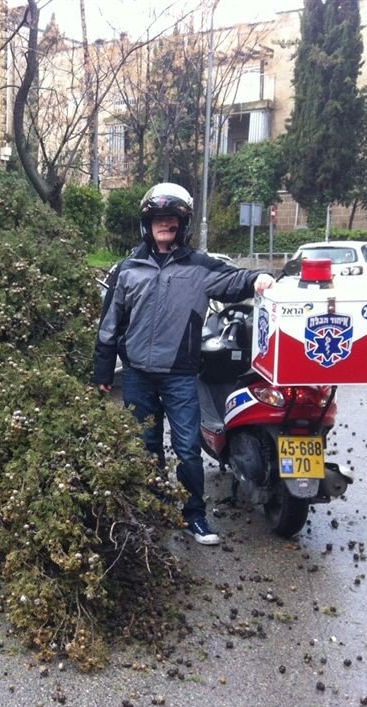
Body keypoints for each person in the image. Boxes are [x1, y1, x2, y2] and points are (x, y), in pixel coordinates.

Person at [92, 182, 275, 546]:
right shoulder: (128, 269)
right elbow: (109, 323)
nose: (165, 225)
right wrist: (102, 371)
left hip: (180, 375)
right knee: (146, 445)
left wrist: (259, 279)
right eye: (159, 219)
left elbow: (234, 279)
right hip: (138, 375)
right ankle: (155, 507)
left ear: (182, 224)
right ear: (148, 223)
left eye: (172, 219)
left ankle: (194, 515)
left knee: (188, 447)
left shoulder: (199, 267)